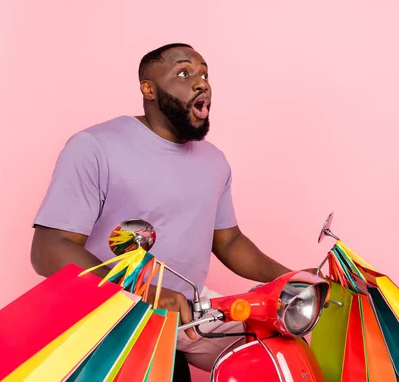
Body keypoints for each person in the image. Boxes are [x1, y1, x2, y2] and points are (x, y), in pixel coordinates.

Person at [30, 43, 306, 380]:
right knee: (167, 370)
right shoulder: (95, 146)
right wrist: (146, 292)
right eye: (184, 72)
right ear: (148, 88)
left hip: (190, 309)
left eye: (205, 73)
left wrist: (293, 278)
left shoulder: (214, 161)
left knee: (280, 352)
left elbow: (230, 241)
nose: (201, 82)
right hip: (112, 314)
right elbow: (47, 249)